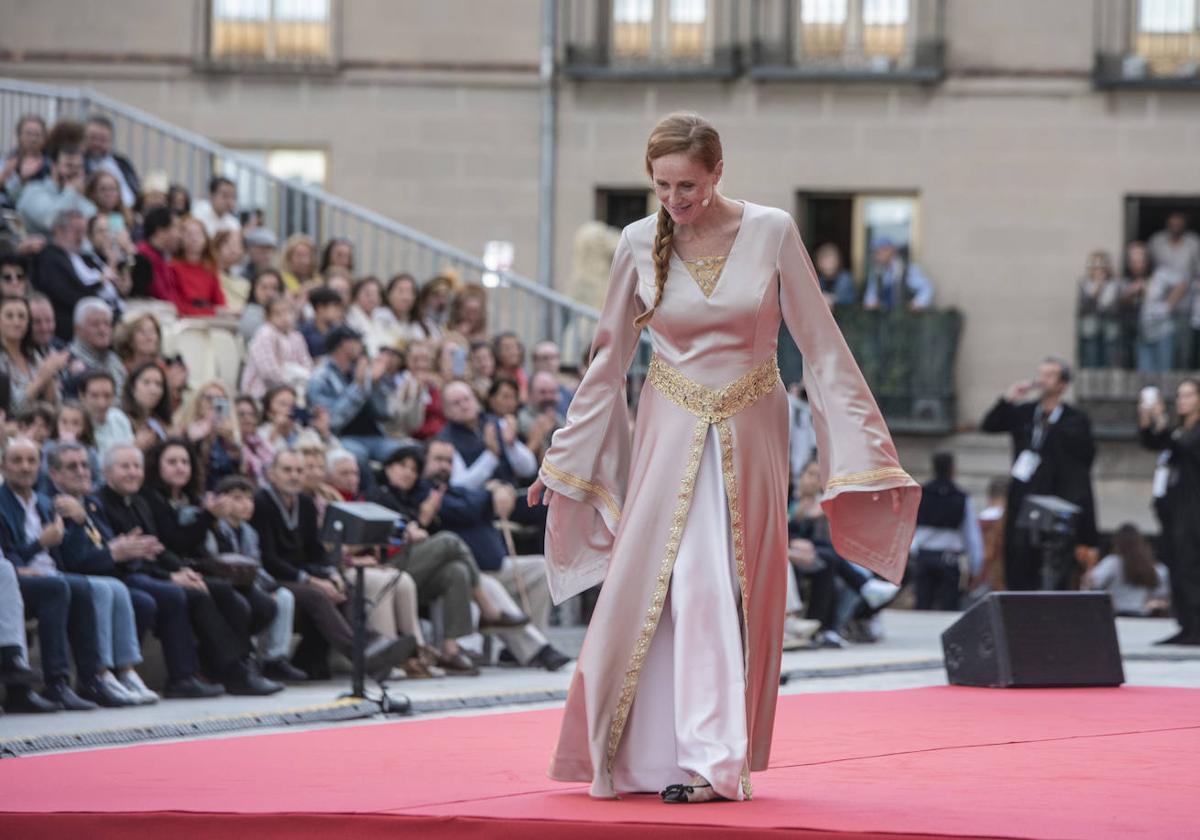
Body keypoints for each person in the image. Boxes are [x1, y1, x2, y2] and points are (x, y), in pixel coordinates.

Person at [527, 113, 919, 803]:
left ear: (717, 173)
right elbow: (606, 362)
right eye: (662, 186)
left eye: (688, 185)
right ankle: (650, 758)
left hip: (750, 428)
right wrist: (563, 461)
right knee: (652, 588)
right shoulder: (635, 242)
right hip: (668, 428)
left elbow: (821, 346)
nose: (675, 199)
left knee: (712, 583)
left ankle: (711, 759)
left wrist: (867, 456)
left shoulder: (770, 231)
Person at [251, 449, 413, 679]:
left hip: (302, 576)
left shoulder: (305, 503)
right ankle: (361, 654)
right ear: (272, 474)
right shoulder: (261, 503)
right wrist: (313, 580)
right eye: (287, 470)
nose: (294, 475)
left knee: (344, 588)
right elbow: (268, 559)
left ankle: (372, 642)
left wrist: (331, 575)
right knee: (318, 595)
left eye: (299, 470)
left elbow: (316, 551)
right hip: (272, 578)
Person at [368, 444, 530, 675]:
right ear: (388, 468)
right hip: (386, 565)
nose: (407, 473)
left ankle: (451, 649)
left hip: (412, 568)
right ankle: (488, 609)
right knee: (449, 541)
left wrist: (421, 523)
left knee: (456, 571)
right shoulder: (379, 494)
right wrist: (417, 525)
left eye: (413, 469)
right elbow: (383, 535)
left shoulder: (412, 496)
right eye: (401, 466)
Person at [138, 438, 282, 695]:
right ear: (156, 466)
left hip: (198, 566)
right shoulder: (150, 499)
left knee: (264, 604)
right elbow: (173, 541)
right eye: (172, 462)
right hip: (171, 569)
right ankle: (237, 671)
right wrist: (208, 518)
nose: (180, 467)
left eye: (184, 462)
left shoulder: (193, 497)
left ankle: (216, 662)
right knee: (228, 598)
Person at [0, 436, 127, 709]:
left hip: (51, 575)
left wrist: (81, 522)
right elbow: (7, 557)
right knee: (57, 588)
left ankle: (92, 680)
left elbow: (71, 556)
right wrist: (39, 544)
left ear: (40, 466)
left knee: (80, 585)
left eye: (31, 460)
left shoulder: (46, 502)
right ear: (3, 465)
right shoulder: (2, 503)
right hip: (19, 578)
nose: (25, 467)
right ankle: (56, 683)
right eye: (17, 461)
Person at [423, 439, 571, 673]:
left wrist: (503, 490)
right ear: (424, 463)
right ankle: (538, 650)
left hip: (497, 566)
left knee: (540, 568)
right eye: (438, 460)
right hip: (467, 578)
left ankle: (515, 651)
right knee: (487, 585)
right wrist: (491, 492)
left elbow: (491, 504)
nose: (444, 466)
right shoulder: (425, 493)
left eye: (449, 461)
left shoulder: (462, 491)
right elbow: (463, 510)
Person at [94, 443, 222, 699]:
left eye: (137, 466)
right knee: (171, 595)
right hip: (116, 575)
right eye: (125, 467)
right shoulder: (100, 503)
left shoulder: (139, 502)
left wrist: (180, 570)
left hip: (143, 573)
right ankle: (178, 676)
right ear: (107, 473)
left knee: (199, 589)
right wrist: (170, 577)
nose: (132, 472)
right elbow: (126, 557)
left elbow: (155, 549)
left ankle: (198, 672)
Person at [47, 441, 159, 704]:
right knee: (106, 588)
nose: (81, 471)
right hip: (64, 576)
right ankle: (100, 674)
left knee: (128, 594)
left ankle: (126, 671)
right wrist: (111, 550)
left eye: (85, 465)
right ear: (54, 474)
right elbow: (72, 561)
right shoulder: (56, 503)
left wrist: (123, 550)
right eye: (72, 466)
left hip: (98, 575)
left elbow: (106, 545)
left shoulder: (90, 504)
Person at [980, 357, 1097, 592]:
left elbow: (1084, 459)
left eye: (1049, 375)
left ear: (1063, 384)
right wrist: (1008, 399)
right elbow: (989, 425)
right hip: (1023, 497)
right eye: (1040, 374)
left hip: (1056, 499)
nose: (1041, 380)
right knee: (1019, 556)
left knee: (1054, 563)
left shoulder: (1074, 419)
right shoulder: (1025, 413)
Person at [203, 475, 305, 682]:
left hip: (250, 583)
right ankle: (245, 657)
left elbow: (255, 566)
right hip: (226, 584)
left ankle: (275, 658)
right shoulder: (214, 527)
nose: (246, 505)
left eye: (249, 499)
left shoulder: (249, 532)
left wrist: (270, 586)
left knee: (283, 595)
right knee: (252, 603)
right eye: (237, 498)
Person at [1138, 378, 1200, 645]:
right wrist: (1147, 417)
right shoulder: (1179, 428)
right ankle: (1185, 624)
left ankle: (1196, 627)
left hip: (1193, 509)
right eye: (1180, 395)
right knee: (1176, 565)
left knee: (1190, 567)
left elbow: (1184, 449)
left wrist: (1161, 419)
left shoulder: (1194, 432)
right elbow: (1155, 442)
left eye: (1188, 395)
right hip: (1173, 508)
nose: (1182, 400)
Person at [306, 325, 403, 475]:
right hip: (343, 438)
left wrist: (376, 384)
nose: (361, 346)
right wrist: (358, 386)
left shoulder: (361, 369)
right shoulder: (320, 378)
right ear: (344, 344)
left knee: (406, 453)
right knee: (357, 457)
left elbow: (385, 414)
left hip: (375, 436)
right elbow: (333, 420)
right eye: (357, 341)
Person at [909, 452, 984, 611]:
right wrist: (975, 566)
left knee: (922, 606)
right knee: (948, 609)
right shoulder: (961, 497)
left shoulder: (920, 494)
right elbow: (971, 536)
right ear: (952, 469)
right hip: (949, 560)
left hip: (924, 557)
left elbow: (908, 527)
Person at [32, 210, 114, 342]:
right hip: (70, 321)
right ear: (59, 231)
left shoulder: (83, 256)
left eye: (83, 232)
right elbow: (68, 294)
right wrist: (99, 284)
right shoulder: (50, 257)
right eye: (76, 232)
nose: (80, 238)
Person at [440, 379, 538, 489]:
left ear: (476, 400)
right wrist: (491, 455)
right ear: (445, 410)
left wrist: (512, 445)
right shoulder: (445, 440)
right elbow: (459, 485)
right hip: (476, 501)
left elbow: (529, 469)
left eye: (467, 399)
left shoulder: (497, 423)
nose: (464, 406)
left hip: (513, 491)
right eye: (456, 403)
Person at [16, 126, 97, 238]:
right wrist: (71, 191)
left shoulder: (81, 201)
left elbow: (93, 222)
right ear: (53, 166)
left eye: (79, 167)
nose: (74, 172)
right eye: (69, 166)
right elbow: (51, 221)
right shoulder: (34, 191)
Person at [1082, 523, 1170, 617]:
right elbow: (1162, 593)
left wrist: (1089, 564)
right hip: (1142, 617)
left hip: (1116, 615)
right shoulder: (1153, 566)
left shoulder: (1112, 562)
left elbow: (1092, 584)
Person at [0, 295, 68, 409]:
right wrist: (42, 377)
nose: (16, 322)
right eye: (9, 316)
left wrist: (50, 377)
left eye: (22, 316)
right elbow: (13, 406)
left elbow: (55, 405)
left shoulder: (33, 355)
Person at [240, 294, 313, 399]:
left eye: (288, 312)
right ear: (268, 317)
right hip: (262, 391)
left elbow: (306, 362)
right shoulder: (265, 334)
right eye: (278, 314)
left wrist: (304, 377)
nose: (285, 318)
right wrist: (287, 386)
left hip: (292, 388)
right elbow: (268, 371)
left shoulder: (296, 336)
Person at [66, 297, 127, 393]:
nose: (103, 330)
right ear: (77, 329)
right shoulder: (67, 360)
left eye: (107, 324)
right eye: (95, 324)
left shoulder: (115, 360)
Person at [171, 215, 227, 317]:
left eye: (198, 234)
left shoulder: (210, 268)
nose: (194, 238)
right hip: (186, 322)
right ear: (180, 238)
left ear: (205, 238)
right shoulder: (172, 268)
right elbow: (178, 307)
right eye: (189, 234)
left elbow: (220, 303)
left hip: (211, 321)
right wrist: (212, 311)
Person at [861, 236, 934, 312]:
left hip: (905, 317)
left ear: (890, 250)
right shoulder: (877, 271)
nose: (876, 257)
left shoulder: (907, 269)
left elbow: (927, 287)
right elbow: (870, 295)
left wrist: (918, 303)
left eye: (879, 252)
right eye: (875, 253)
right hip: (885, 317)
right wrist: (871, 303)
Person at [82, 114, 140, 209]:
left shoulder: (122, 162)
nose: (97, 144)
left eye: (102, 140)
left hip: (129, 213)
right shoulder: (79, 164)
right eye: (93, 138)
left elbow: (135, 188)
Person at [1076, 249, 1122, 369]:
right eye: (1095, 266)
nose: (1098, 270)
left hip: (1109, 329)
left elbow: (1115, 307)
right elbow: (1084, 307)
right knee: (1091, 357)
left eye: (1102, 265)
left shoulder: (1114, 284)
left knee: (1109, 358)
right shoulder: (1084, 284)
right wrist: (1096, 290)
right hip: (1090, 329)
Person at [79, 370, 134, 457]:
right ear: (82, 397)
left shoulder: (119, 418)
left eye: (107, 396)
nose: (101, 403)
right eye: (94, 396)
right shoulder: (74, 424)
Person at [131, 206, 180, 302]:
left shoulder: (161, 254)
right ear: (160, 231)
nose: (178, 235)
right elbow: (161, 296)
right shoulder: (144, 256)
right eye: (175, 227)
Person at [121, 361, 172, 450]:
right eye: (146, 382)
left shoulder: (163, 423)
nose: (153, 390)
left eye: (158, 384)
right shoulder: (121, 419)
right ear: (133, 387)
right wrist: (135, 445)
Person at [1, 114, 49, 205]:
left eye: (37, 135)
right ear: (19, 136)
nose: (33, 139)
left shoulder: (50, 165)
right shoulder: (9, 161)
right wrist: (4, 176)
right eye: (28, 134)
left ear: (44, 139)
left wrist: (23, 180)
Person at [239, 268, 284, 343]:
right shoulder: (249, 312)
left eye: (274, 288)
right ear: (254, 289)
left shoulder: (287, 313)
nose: (269, 293)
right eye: (264, 288)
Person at [300, 285, 346, 358]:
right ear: (320, 308)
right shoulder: (304, 332)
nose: (338, 312)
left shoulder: (339, 330)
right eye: (334, 307)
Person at [213, 229, 249, 312]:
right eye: (227, 243)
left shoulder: (245, 280)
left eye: (238, 245)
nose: (233, 249)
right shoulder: (209, 274)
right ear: (216, 246)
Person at [813, 243, 857, 308]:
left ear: (837, 261)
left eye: (830, 261)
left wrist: (832, 299)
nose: (827, 265)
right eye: (824, 261)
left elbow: (845, 298)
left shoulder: (845, 278)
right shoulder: (818, 280)